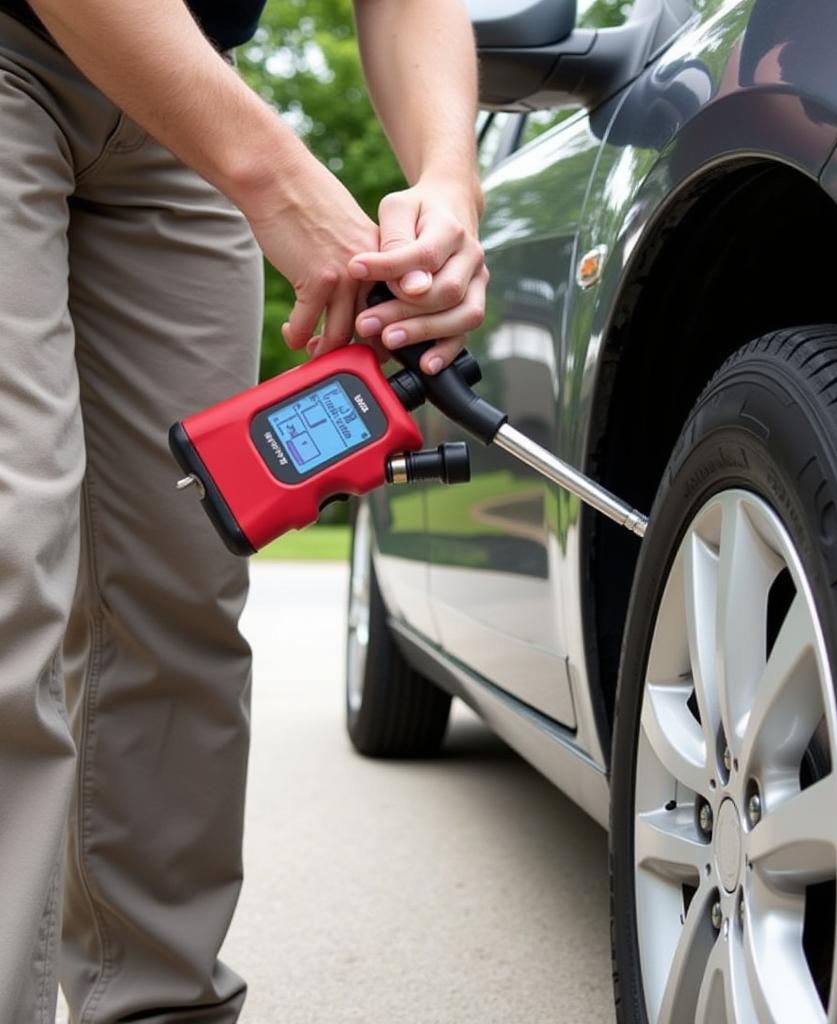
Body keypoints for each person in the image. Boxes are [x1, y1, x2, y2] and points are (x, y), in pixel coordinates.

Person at [0, 0, 486, 1020]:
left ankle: (161, 1003)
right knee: (11, 556)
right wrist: (272, 173)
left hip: (182, 90)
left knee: (182, 580)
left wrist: (447, 182)